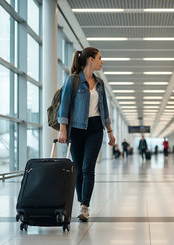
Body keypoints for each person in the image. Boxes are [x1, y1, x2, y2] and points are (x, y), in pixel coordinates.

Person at [57, 47, 115, 221]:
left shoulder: (100, 83)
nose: (102, 61)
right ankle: (82, 200)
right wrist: (63, 130)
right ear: (91, 60)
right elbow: (64, 106)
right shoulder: (72, 80)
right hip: (76, 130)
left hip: (95, 129)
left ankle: (84, 206)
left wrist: (110, 131)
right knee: (79, 170)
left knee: (88, 168)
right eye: (100, 58)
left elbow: (104, 109)